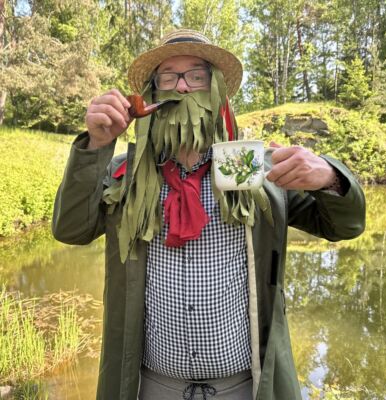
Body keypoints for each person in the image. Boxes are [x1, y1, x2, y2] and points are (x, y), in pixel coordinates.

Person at [52, 29, 366, 400]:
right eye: (169, 77)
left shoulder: (252, 168)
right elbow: (71, 229)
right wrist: (96, 145)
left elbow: (343, 226)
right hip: (149, 387)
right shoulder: (128, 175)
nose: (182, 87)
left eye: (196, 76)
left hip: (245, 387)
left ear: (216, 90)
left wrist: (329, 179)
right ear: (152, 94)